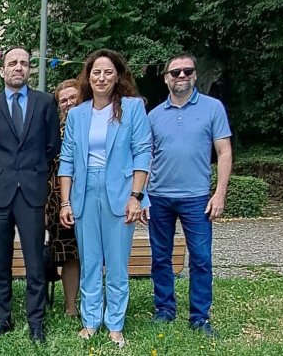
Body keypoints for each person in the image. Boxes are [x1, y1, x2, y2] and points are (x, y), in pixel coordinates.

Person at [58, 49, 152, 348]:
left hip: (120, 193)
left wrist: (136, 197)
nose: (101, 78)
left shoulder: (133, 108)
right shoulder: (77, 113)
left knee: (116, 263)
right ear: (88, 76)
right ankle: (90, 321)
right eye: (96, 72)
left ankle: (115, 324)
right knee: (90, 261)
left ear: (117, 76)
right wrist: (65, 201)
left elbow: (142, 153)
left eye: (107, 72)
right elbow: (68, 161)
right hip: (84, 193)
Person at [0, 48, 60, 343]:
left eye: (24, 63)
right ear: (2, 70)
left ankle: (36, 321)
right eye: (12, 63)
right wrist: (6, 172)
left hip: (32, 192)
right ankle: (4, 318)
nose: (18, 68)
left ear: (30, 70)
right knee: (0, 261)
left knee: (34, 262)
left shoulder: (45, 102)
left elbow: (52, 146)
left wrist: (31, 171)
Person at [146, 54, 231, 337]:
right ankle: (165, 310)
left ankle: (199, 316)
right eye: (175, 72)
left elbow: (224, 152)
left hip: (196, 197)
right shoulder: (154, 115)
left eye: (187, 71)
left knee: (201, 258)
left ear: (194, 75)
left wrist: (219, 194)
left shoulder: (212, 108)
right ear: (166, 77)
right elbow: (146, 157)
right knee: (160, 257)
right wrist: (142, 195)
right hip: (159, 196)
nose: (181, 76)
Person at [45, 78, 82, 317]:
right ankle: (61, 304)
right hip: (54, 200)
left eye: (72, 98)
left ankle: (73, 306)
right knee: (64, 253)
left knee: (79, 255)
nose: (68, 104)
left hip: (86, 199)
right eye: (63, 100)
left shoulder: (92, 127)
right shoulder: (53, 130)